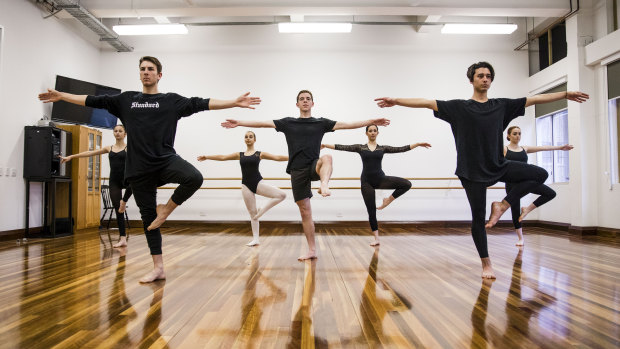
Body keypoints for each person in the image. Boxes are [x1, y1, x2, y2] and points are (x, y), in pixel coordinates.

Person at [39, 56, 261, 283]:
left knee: (194, 177)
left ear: (159, 75)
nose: (146, 72)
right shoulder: (126, 100)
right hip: (138, 169)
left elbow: (200, 103)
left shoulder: (170, 101)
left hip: (165, 161)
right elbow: (92, 100)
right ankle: (158, 268)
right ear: (139, 73)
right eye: (142, 69)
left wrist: (233, 102)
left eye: (151, 69)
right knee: (149, 220)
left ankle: (167, 209)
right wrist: (62, 96)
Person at [375, 61, 589, 278]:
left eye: (488, 76)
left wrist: (565, 94)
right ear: (471, 80)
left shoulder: (501, 105)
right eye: (480, 76)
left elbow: (533, 99)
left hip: (498, 165)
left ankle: (502, 205)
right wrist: (396, 101)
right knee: (477, 218)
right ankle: (486, 264)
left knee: (540, 174)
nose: (485, 79)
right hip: (471, 171)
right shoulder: (459, 108)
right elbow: (427, 103)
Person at [222, 90, 390, 260]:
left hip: (313, 166)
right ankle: (312, 250)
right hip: (297, 169)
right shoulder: (288, 122)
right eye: (301, 99)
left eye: (308, 99)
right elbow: (264, 123)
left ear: (312, 103)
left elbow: (347, 124)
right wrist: (240, 122)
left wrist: (371, 121)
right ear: (297, 104)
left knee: (327, 157)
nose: (305, 101)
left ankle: (324, 184)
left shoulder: (321, 123)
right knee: (305, 211)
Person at [322, 125, 431, 246]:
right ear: (366, 133)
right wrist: (326, 145)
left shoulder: (382, 148)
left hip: (381, 179)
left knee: (406, 184)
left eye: (375, 131)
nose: (372, 133)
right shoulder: (361, 147)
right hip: (366, 182)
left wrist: (417, 144)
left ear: (377, 133)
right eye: (370, 131)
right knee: (371, 210)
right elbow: (343, 147)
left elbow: (401, 149)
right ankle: (376, 238)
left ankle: (387, 200)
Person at [197, 130, 288, 246]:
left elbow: (277, 157)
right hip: (246, 185)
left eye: (251, 137)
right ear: (244, 140)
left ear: (255, 140)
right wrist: (207, 156)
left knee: (281, 195)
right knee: (252, 213)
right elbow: (223, 157)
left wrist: (292, 158)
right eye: (246, 137)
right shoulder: (239, 155)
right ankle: (256, 239)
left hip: (258, 182)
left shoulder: (259, 154)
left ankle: (261, 211)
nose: (248, 138)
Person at [59, 124, 133, 248]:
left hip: (128, 179)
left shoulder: (129, 148)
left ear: (125, 134)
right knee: (118, 209)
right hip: (114, 181)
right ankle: (123, 238)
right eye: (115, 131)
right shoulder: (109, 148)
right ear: (113, 133)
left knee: (130, 193)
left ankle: (125, 202)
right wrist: (72, 156)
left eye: (120, 131)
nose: (117, 133)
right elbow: (90, 153)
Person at [504, 125, 574, 246]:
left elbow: (543, 147)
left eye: (519, 133)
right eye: (515, 133)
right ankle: (520, 238)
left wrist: (560, 147)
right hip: (512, 183)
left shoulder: (524, 148)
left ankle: (527, 209)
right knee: (515, 210)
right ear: (509, 136)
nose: (518, 136)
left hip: (526, 182)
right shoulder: (504, 149)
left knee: (550, 193)